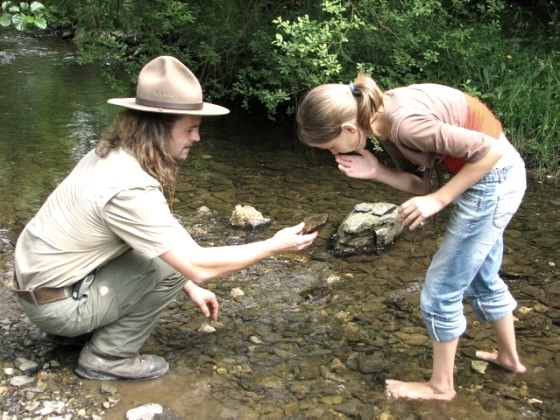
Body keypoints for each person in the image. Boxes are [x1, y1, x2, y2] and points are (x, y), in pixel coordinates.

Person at [13, 55, 317, 381]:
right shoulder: (130, 186)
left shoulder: (113, 153)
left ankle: (73, 330)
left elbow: (145, 238)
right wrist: (273, 245)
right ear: (158, 130)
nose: (197, 138)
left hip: (42, 289)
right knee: (174, 264)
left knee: (169, 255)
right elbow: (197, 265)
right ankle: (107, 357)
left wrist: (189, 288)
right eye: (190, 129)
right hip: (55, 306)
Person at [296, 75, 526, 400]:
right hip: (490, 178)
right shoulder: (382, 121)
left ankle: (440, 387)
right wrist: (377, 171)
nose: (333, 153)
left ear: (349, 129)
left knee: (441, 289)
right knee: (481, 276)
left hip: (494, 180)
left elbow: (489, 153)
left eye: (331, 146)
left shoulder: (405, 124)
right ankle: (509, 359)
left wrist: (440, 201)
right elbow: (423, 186)